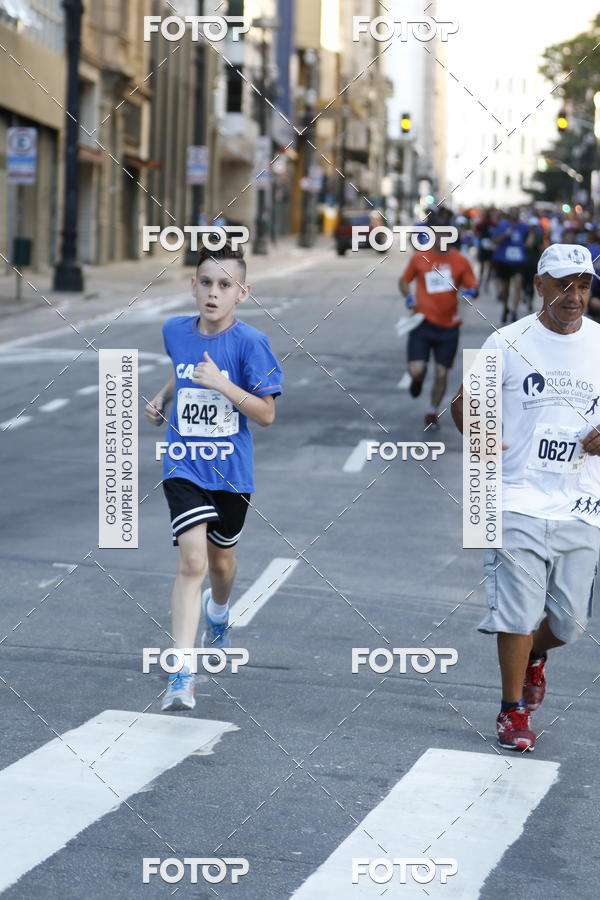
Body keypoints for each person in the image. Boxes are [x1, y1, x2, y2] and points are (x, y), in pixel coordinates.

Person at [451, 243, 600, 751]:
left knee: (570, 623)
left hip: (582, 501)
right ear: (540, 285)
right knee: (516, 609)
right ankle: (511, 710)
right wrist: (480, 431)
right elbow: (463, 404)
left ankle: (536, 653)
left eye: (583, 285)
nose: (573, 296)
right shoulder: (507, 342)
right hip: (512, 495)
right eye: (563, 284)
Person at [145, 241, 283, 711]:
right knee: (193, 564)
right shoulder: (174, 331)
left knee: (222, 565)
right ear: (193, 285)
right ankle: (181, 674)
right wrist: (164, 397)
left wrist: (224, 385)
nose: (213, 292)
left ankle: (218, 611)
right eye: (206, 282)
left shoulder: (251, 344)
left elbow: (265, 415)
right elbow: (184, 371)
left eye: (225, 285)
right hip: (183, 465)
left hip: (231, 473)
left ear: (241, 293)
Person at [399, 211, 479, 430]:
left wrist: (471, 293)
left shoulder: (460, 261)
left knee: (442, 372)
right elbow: (404, 281)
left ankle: (432, 411)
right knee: (417, 369)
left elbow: (473, 285)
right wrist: (408, 296)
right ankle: (417, 378)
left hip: (448, 327)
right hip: (422, 323)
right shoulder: (419, 257)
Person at [491, 208, 529, 324]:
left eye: (516, 213)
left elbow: (527, 240)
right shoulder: (503, 225)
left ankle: (514, 311)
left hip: (518, 260)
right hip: (503, 259)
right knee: (505, 288)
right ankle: (505, 308)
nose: (514, 215)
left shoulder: (524, 226)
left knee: (517, 284)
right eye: (512, 213)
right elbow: (495, 240)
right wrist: (505, 234)